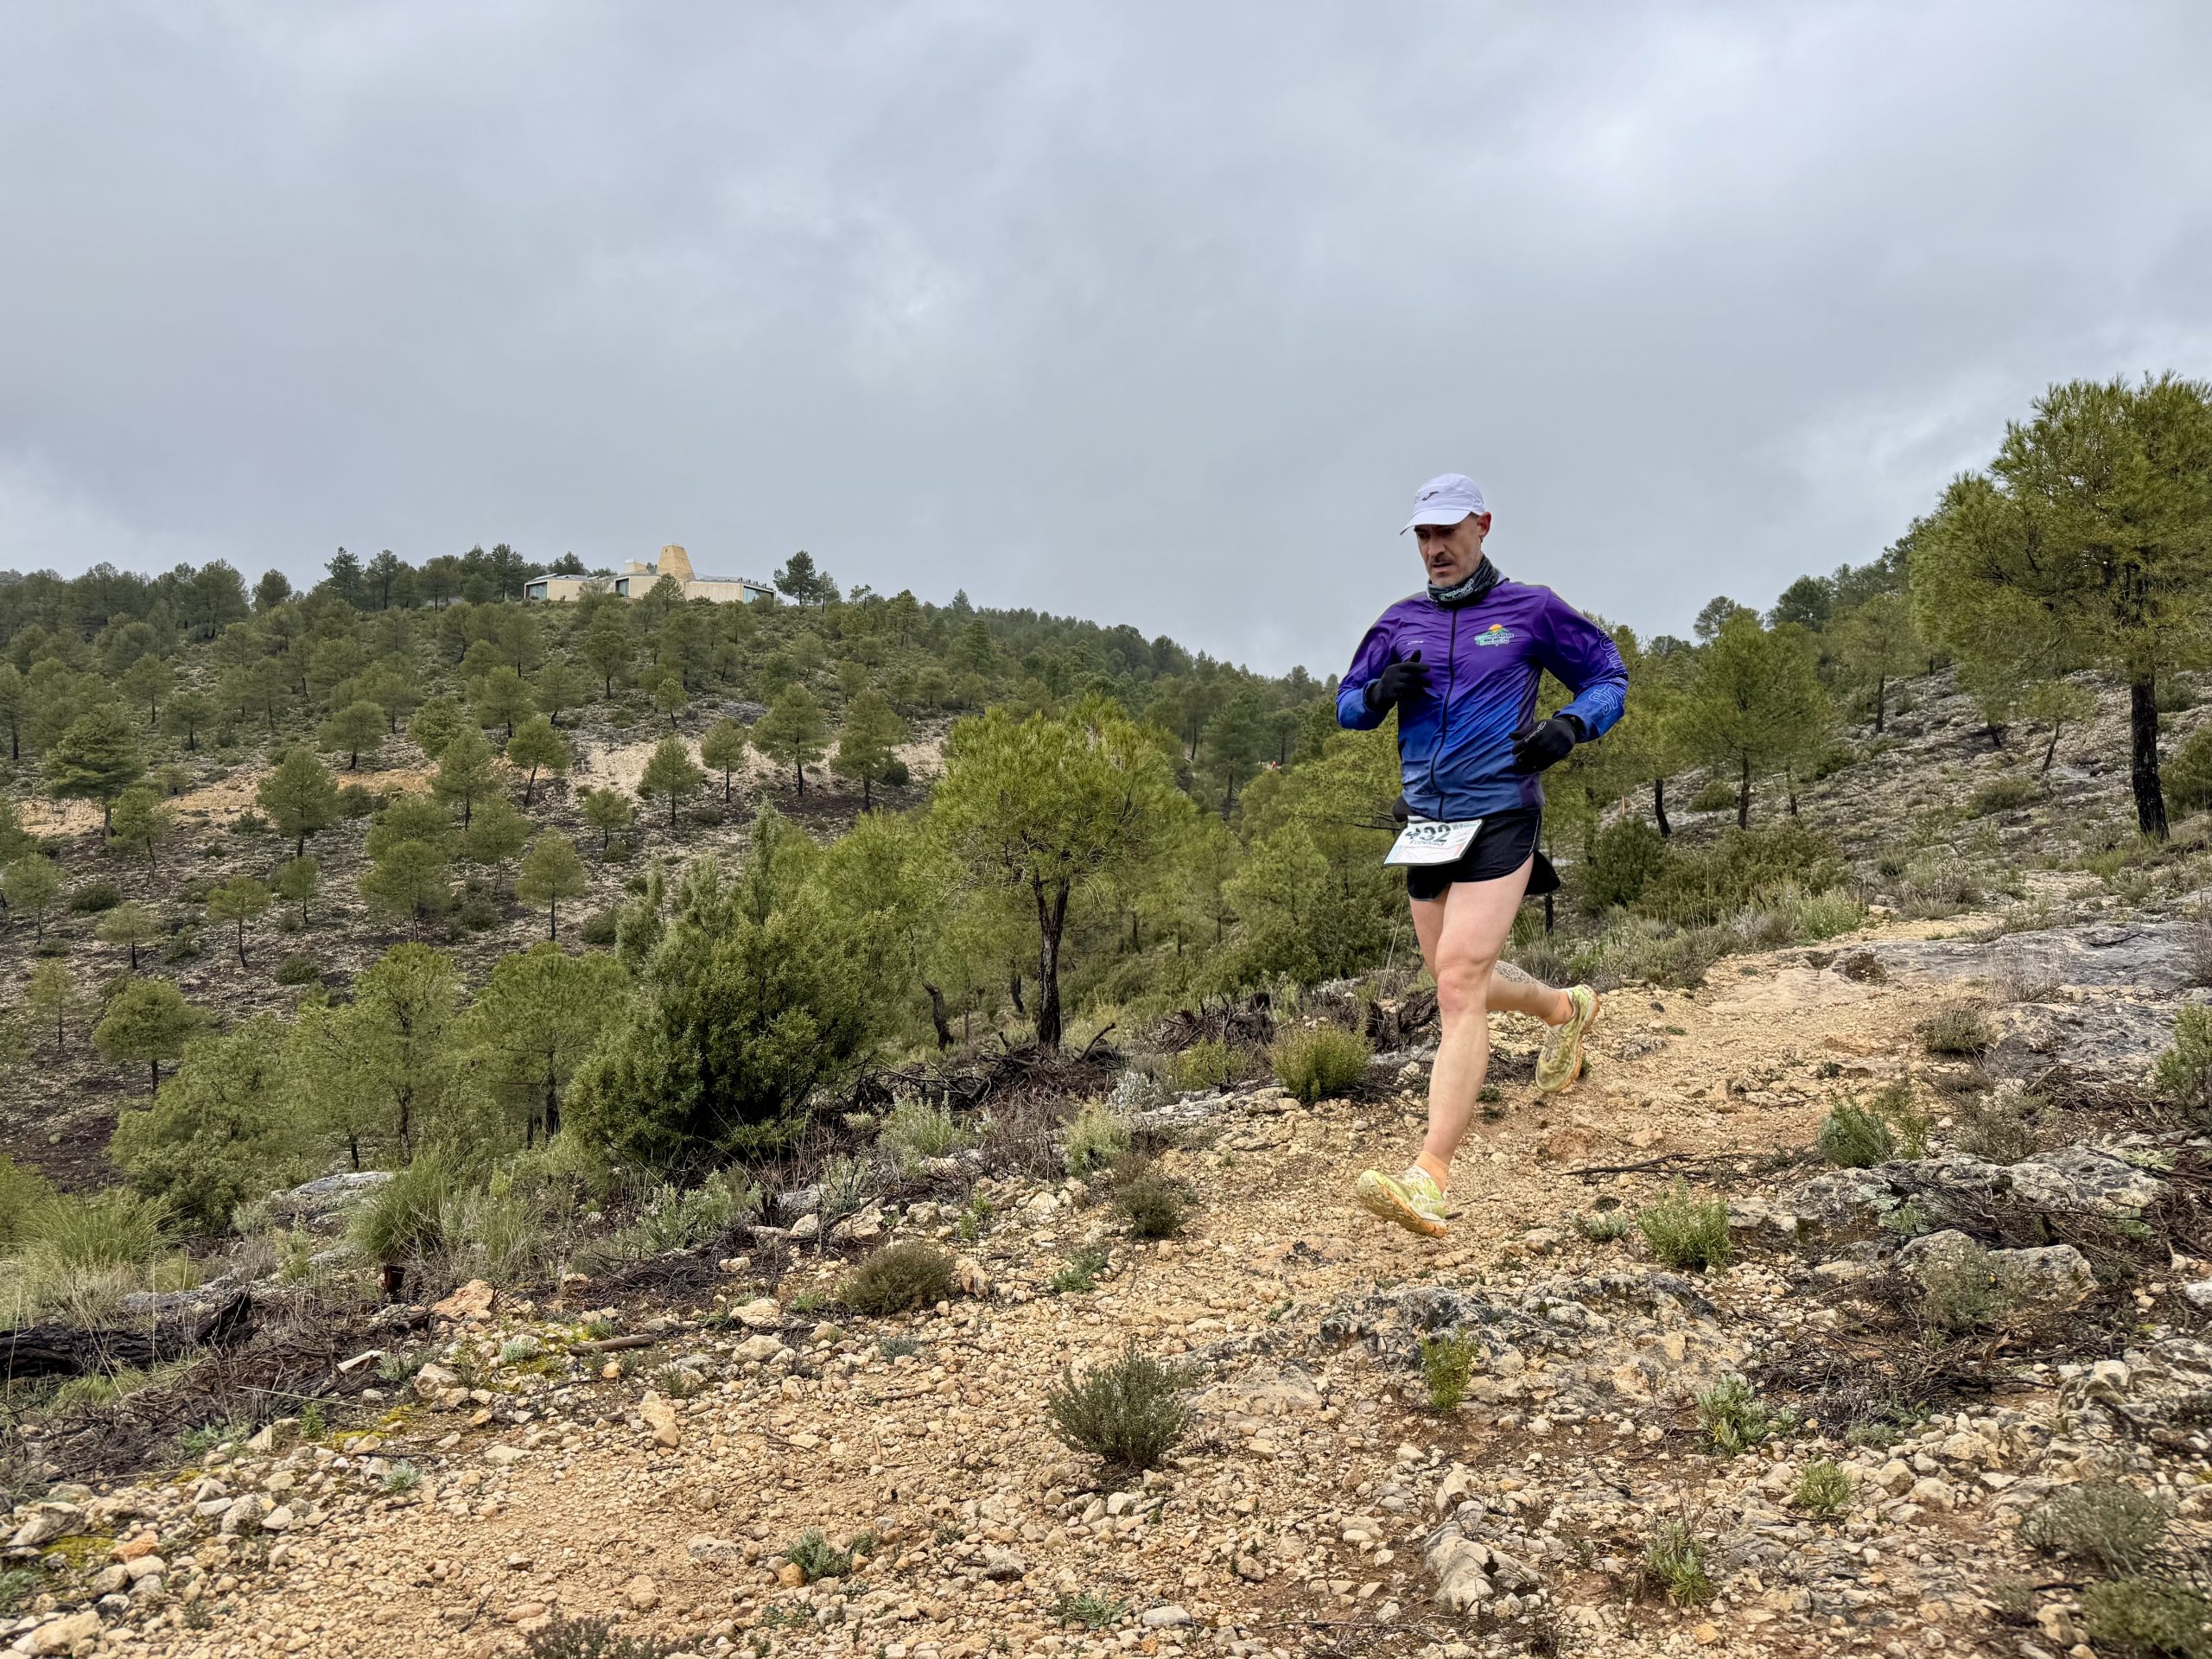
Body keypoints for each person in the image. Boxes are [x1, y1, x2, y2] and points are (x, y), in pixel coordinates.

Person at [1338, 473, 1628, 1238]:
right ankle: (1567, 1009)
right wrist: (1377, 694)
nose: (1435, 548)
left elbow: (1608, 675)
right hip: (1427, 824)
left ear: (1483, 525)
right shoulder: (1399, 620)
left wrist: (1571, 725)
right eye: (1424, 535)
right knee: (1452, 977)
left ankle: (1429, 1176)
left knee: (1461, 983)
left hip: (1502, 812)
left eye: (1447, 532)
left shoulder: (1530, 609)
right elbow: (1347, 704)